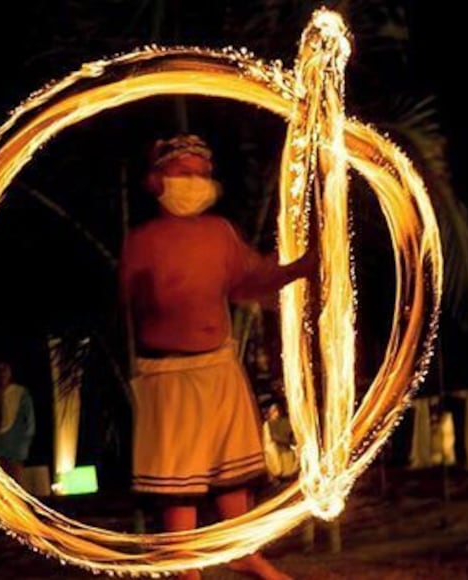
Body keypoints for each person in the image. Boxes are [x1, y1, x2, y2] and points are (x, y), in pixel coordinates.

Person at [119, 134, 315, 580]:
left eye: (202, 175)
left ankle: (241, 551)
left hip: (219, 367)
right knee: (180, 480)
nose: (194, 183)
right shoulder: (143, 241)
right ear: (157, 180)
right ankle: (188, 565)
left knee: (234, 471)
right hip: (170, 374)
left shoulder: (220, 233)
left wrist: (303, 266)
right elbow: (128, 302)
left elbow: (250, 283)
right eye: (183, 174)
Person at [0, 360, 36, 483]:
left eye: (4, 370)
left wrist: (24, 443)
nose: (1, 374)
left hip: (15, 444)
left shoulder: (20, 393)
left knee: (15, 480)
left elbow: (29, 421)